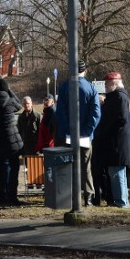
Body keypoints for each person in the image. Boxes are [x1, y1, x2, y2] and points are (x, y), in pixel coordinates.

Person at [54, 61, 101, 205]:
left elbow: (60, 113)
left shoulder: (64, 87)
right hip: (86, 136)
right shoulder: (91, 89)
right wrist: (86, 131)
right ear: (85, 70)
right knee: (86, 168)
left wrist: (69, 130)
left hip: (68, 135)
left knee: (69, 166)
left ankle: (71, 197)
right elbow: (96, 114)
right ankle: (88, 198)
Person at [92, 72, 130, 208]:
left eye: (107, 84)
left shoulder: (120, 97)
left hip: (118, 143)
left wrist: (107, 130)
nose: (104, 86)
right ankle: (120, 201)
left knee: (117, 174)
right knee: (115, 173)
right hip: (115, 143)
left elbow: (121, 118)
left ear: (114, 84)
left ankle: (122, 202)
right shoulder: (115, 97)